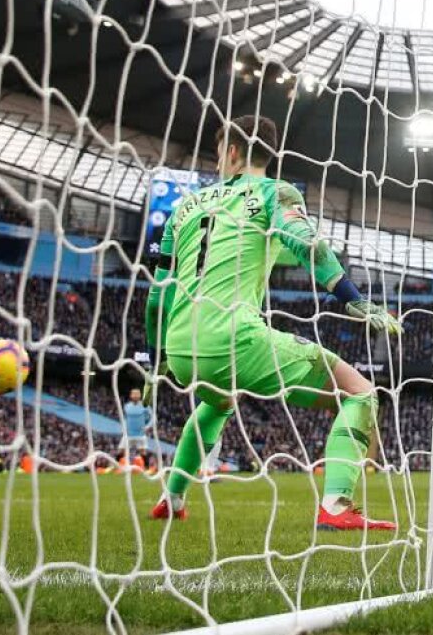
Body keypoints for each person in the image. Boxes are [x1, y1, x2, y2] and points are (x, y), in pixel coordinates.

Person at [144, 114, 402, 530]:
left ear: (231, 150)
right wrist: (353, 301)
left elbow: (158, 294)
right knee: (360, 392)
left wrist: (156, 359)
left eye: (218, 153)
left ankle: (172, 497)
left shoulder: (181, 208)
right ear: (269, 151)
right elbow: (306, 244)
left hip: (179, 345)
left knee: (218, 402)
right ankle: (336, 504)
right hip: (232, 336)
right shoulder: (273, 193)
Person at [122, 388, 153, 461]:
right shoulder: (127, 406)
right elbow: (124, 418)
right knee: (121, 450)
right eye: (134, 394)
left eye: (137, 394)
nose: (135, 396)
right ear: (131, 396)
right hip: (129, 434)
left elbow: (153, 418)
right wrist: (124, 427)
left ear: (140, 396)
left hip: (140, 434)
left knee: (143, 451)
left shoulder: (144, 406)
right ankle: (119, 467)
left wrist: (147, 427)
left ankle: (146, 467)